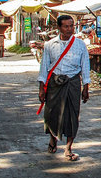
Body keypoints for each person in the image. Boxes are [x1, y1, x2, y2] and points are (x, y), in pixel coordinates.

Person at [38, 15, 90, 161]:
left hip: (73, 82)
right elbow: (44, 68)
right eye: (66, 26)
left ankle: (68, 148)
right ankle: (53, 139)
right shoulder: (50, 45)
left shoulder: (80, 45)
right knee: (51, 113)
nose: (69, 29)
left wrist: (86, 87)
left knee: (72, 115)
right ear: (59, 28)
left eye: (71, 26)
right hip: (55, 83)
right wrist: (41, 88)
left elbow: (85, 67)